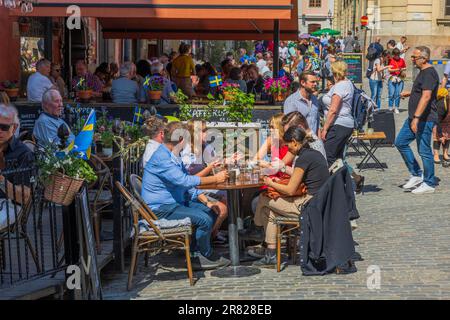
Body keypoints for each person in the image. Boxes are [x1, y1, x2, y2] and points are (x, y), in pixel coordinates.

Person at [141, 121, 230, 269]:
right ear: (181, 140)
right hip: (161, 208)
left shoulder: (173, 154)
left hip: (175, 203)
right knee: (204, 220)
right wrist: (215, 178)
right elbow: (184, 180)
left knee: (212, 210)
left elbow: (187, 186)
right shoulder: (163, 158)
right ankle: (203, 255)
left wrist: (207, 202)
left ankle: (195, 251)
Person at [252, 126, 329, 267]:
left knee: (264, 198)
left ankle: (256, 229)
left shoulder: (303, 158)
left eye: (288, 146)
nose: (288, 150)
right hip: (319, 203)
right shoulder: (313, 154)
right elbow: (296, 177)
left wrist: (270, 182)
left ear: (294, 142)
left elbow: (290, 190)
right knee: (269, 211)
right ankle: (270, 255)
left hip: (309, 206)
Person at [396, 46, 439, 194]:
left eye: (415, 57)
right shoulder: (422, 72)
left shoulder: (429, 73)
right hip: (414, 118)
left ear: (424, 59)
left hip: (423, 119)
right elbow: (423, 92)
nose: (412, 59)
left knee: (424, 151)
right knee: (400, 142)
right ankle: (416, 174)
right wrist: (410, 93)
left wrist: (416, 118)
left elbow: (427, 97)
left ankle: (429, 183)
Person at [0, 104, 33, 229]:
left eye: (4, 127)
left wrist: (2, 180)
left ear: (14, 128)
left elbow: (24, 197)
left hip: (9, 204)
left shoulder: (23, 153)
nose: (0, 131)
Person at [320, 60, 355, 167]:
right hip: (345, 124)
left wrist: (325, 129)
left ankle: (338, 182)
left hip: (339, 124)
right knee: (337, 158)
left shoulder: (340, 86)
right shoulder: (348, 83)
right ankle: (347, 181)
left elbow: (333, 110)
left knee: (328, 156)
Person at [283, 71, 320, 135]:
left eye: (316, 82)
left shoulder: (314, 99)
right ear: (303, 83)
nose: (315, 84)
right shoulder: (292, 101)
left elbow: (317, 122)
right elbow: (289, 126)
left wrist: (319, 141)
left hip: (314, 141)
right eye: (312, 82)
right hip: (300, 142)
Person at [433, 88, 450, 164]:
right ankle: (436, 155)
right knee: (437, 138)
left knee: (448, 137)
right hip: (438, 122)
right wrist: (440, 136)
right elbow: (437, 121)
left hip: (447, 122)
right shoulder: (441, 104)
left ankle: (445, 153)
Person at [387, 48, 407, 114]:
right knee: (391, 93)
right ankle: (390, 107)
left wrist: (401, 69)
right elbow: (389, 69)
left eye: (398, 55)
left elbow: (405, 68)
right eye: (395, 55)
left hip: (400, 78)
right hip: (392, 78)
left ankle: (396, 108)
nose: (397, 56)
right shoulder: (391, 60)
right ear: (393, 55)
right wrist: (396, 69)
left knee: (398, 94)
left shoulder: (402, 60)